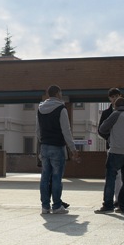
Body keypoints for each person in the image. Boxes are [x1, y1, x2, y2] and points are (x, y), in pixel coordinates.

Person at [36, 85, 78, 214]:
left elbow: (37, 130)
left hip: (44, 146)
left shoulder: (40, 109)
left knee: (45, 177)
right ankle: (57, 206)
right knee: (56, 177)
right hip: (57, 147)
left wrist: (41, 142)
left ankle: (45, 206)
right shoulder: (61, 108)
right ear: (58, 93)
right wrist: (73, 149)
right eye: (61, 92)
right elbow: (66, 131)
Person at [96, 96, 124, 214]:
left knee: (111, 179)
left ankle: (108, 205)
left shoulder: (116, 114)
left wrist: (110, 137)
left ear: (115, 106)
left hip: (116, 151)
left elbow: (102, 129)